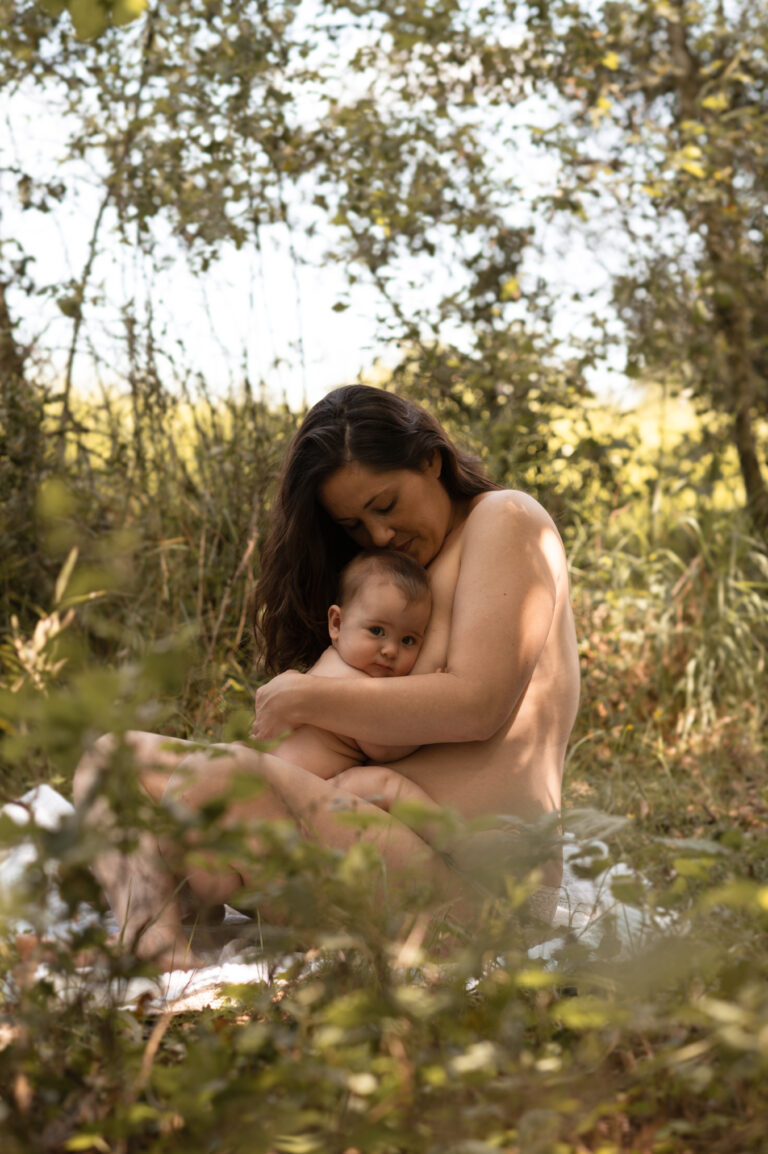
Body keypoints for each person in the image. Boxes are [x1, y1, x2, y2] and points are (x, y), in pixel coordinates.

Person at [72, 385, 580, 970]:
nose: (380, 536)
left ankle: (180, 898)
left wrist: (305, 695)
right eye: (356, 525)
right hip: (362, 840)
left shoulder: (506, 518)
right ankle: (152, 943)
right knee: (109, 759)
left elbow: (478, 703)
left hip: (480, 890)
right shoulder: (394, 575)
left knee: (215, 779)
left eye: (385, 505)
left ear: (430, 461)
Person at [274, 548, 438, 806]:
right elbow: (383, 747)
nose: (391, 650)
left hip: (279, 778)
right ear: (336, 624)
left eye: (408, 640)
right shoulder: (352, 682)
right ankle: (457, 840)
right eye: (377, 630)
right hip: (301, 789)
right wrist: (431, 707)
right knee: (385, 783)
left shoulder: (329, 663)